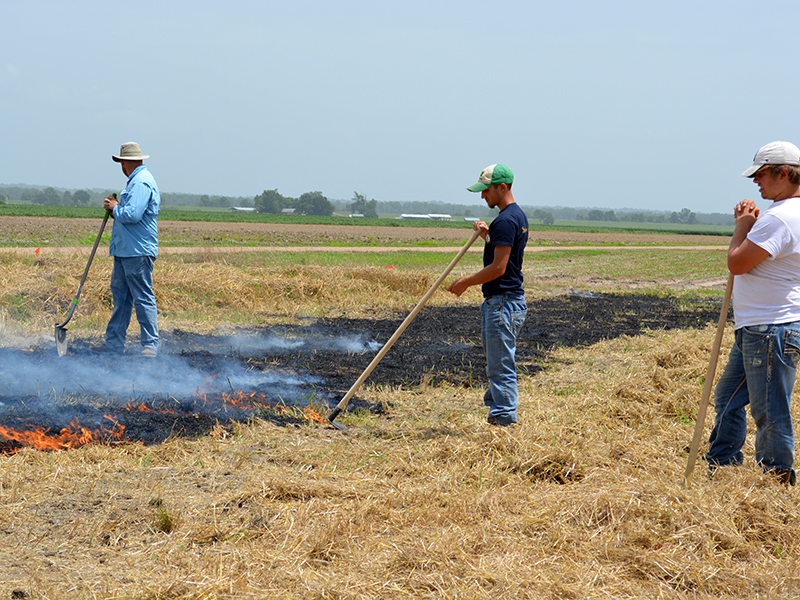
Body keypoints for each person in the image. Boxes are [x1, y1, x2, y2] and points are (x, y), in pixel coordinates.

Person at [706, 141, 800, 485]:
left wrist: (743, 224)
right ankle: (722, 467)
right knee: (727, 397)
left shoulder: (781, 219)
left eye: (761, 175)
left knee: (770, 410)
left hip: (769, 328)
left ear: (784, 174)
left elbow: (738, 263)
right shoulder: (787, 215)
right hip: (759, 327)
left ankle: (774, 482)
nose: (757, 183)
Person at [448, 164, 528, 426]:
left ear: (502, 187)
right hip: (508, 302)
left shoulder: (505, 220)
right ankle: (498, 413)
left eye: (486, 191)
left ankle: (503, 421)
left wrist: (466, 283)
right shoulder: (516, 217)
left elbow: (499, 268)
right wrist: (489, 237)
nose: (483, 197)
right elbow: (506, 254)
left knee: (500, 367)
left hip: (502, 304)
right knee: (499, 363)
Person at [99, 142, 161, 357]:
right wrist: (116, 205)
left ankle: (150, 345)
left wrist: (115, 207)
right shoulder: (134, 183)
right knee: (121, 298)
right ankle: (114, 344)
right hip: (125, 250)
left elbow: (133, 215)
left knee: (142, 297)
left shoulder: (142, 183)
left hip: (138, 250)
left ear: (124, 162)